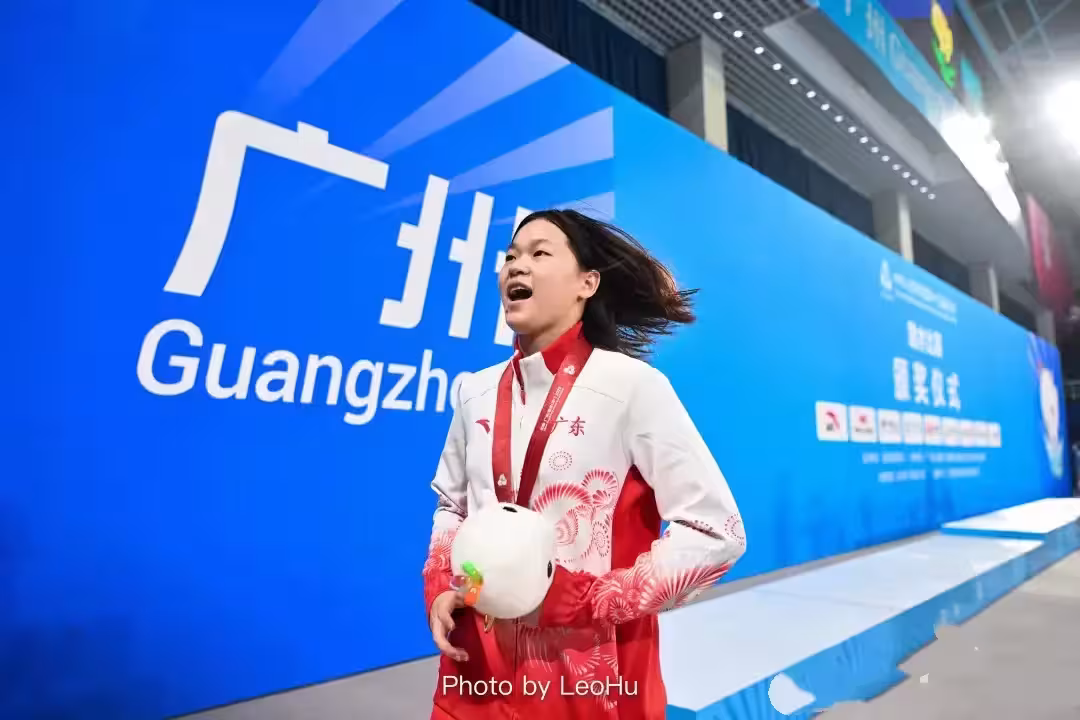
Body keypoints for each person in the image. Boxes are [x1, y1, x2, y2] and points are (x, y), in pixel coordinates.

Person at [421, 209, 746, 719]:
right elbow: (452, 506)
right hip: (474, 675)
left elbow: (717, 532)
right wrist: (444, 586)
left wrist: (590, 599)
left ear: (586, 284)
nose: (516, 266)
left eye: (539, 253)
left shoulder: (632, 387)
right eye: (510, 256)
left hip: (591, 686)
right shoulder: (474, 392)